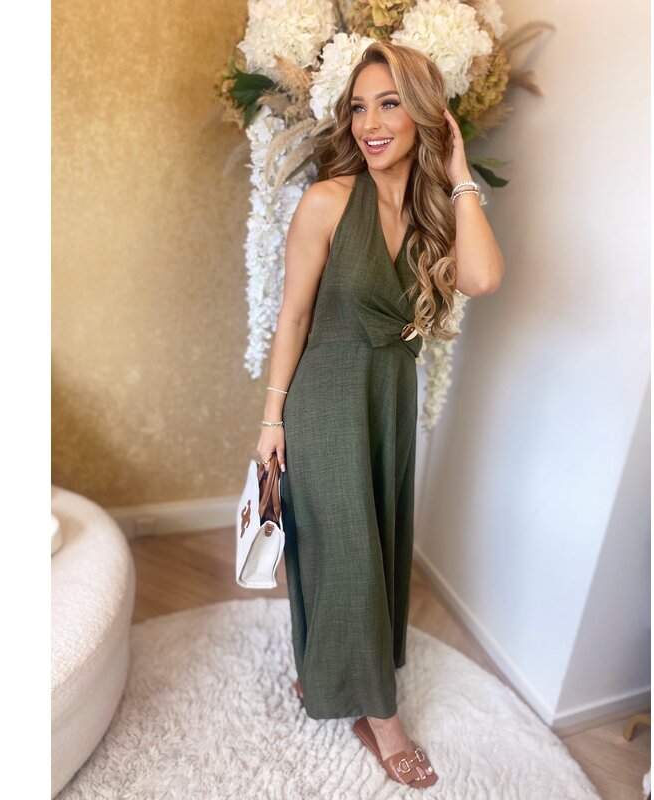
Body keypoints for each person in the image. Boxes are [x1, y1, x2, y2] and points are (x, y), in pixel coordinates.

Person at [256, 41, 504, 788]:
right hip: (328, 400)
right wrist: (271, 423)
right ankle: (384, 719)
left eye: (390, 103)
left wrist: (457, 172)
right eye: (359, 107)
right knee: (347, 553)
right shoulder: (327, 201)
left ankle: (325, 673)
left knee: (376, 544)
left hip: (389, 399)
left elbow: (482, 278)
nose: (370, 123)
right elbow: (293, 317)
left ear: (425, 114)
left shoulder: (433, 214)